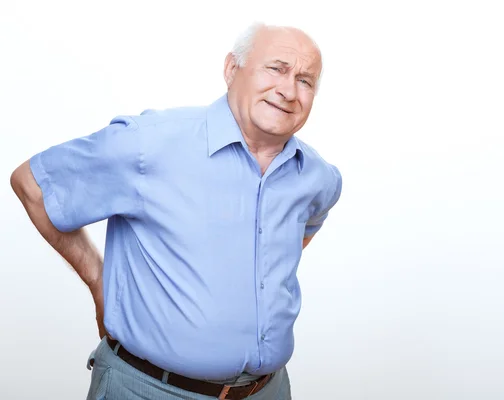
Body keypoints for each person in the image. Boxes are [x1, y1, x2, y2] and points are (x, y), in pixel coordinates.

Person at [10, 21, 342, 400]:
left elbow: (301, 231)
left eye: (305, 80)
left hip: (269, 390)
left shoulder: (317, 176)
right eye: (277, 68)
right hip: (149, 389)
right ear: (232, 70)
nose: (288, 90)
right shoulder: (148, 143)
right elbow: (33, 185)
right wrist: (101, 283)